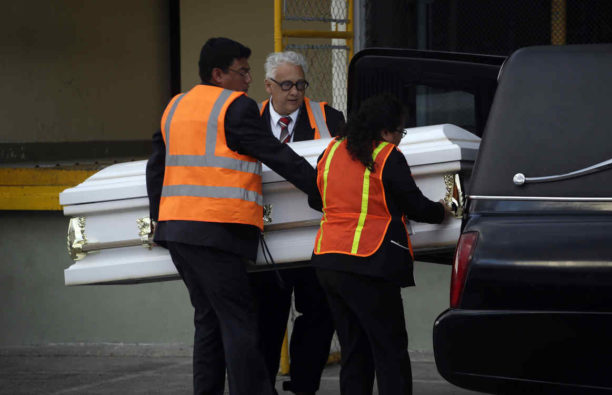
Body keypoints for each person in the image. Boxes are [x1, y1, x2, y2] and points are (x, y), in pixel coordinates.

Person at [146, 38, 320, 395]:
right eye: (242, 72)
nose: (248, 80)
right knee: (240, 322)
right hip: (216, 231)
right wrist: (322, 189)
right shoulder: (235, 107)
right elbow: (276, 154)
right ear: (218, 74)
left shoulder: (175, 106)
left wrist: (157, 221)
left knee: (209, 321)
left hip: (178, 232)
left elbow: (156, 170)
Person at [309, 94, 450, 395]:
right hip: (368, 262)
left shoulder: (332, 150)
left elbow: (315, 198)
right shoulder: (387, 156)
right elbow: (416, 206)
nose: (400, 139)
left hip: (328, 261)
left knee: (354, 350)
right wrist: (443, 210)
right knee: (390, 351)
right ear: (386, 131)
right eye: (401, 131)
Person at [250, 51, 344, 395]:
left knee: (319, 315)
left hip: (315, 235)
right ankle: (262, 388)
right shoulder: (247, 119)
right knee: (266, 320)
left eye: (300, 84)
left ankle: (304, 387)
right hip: (264, 237)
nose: (294, 92)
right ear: (268, 86)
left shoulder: (328, 117)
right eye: (286, 84)